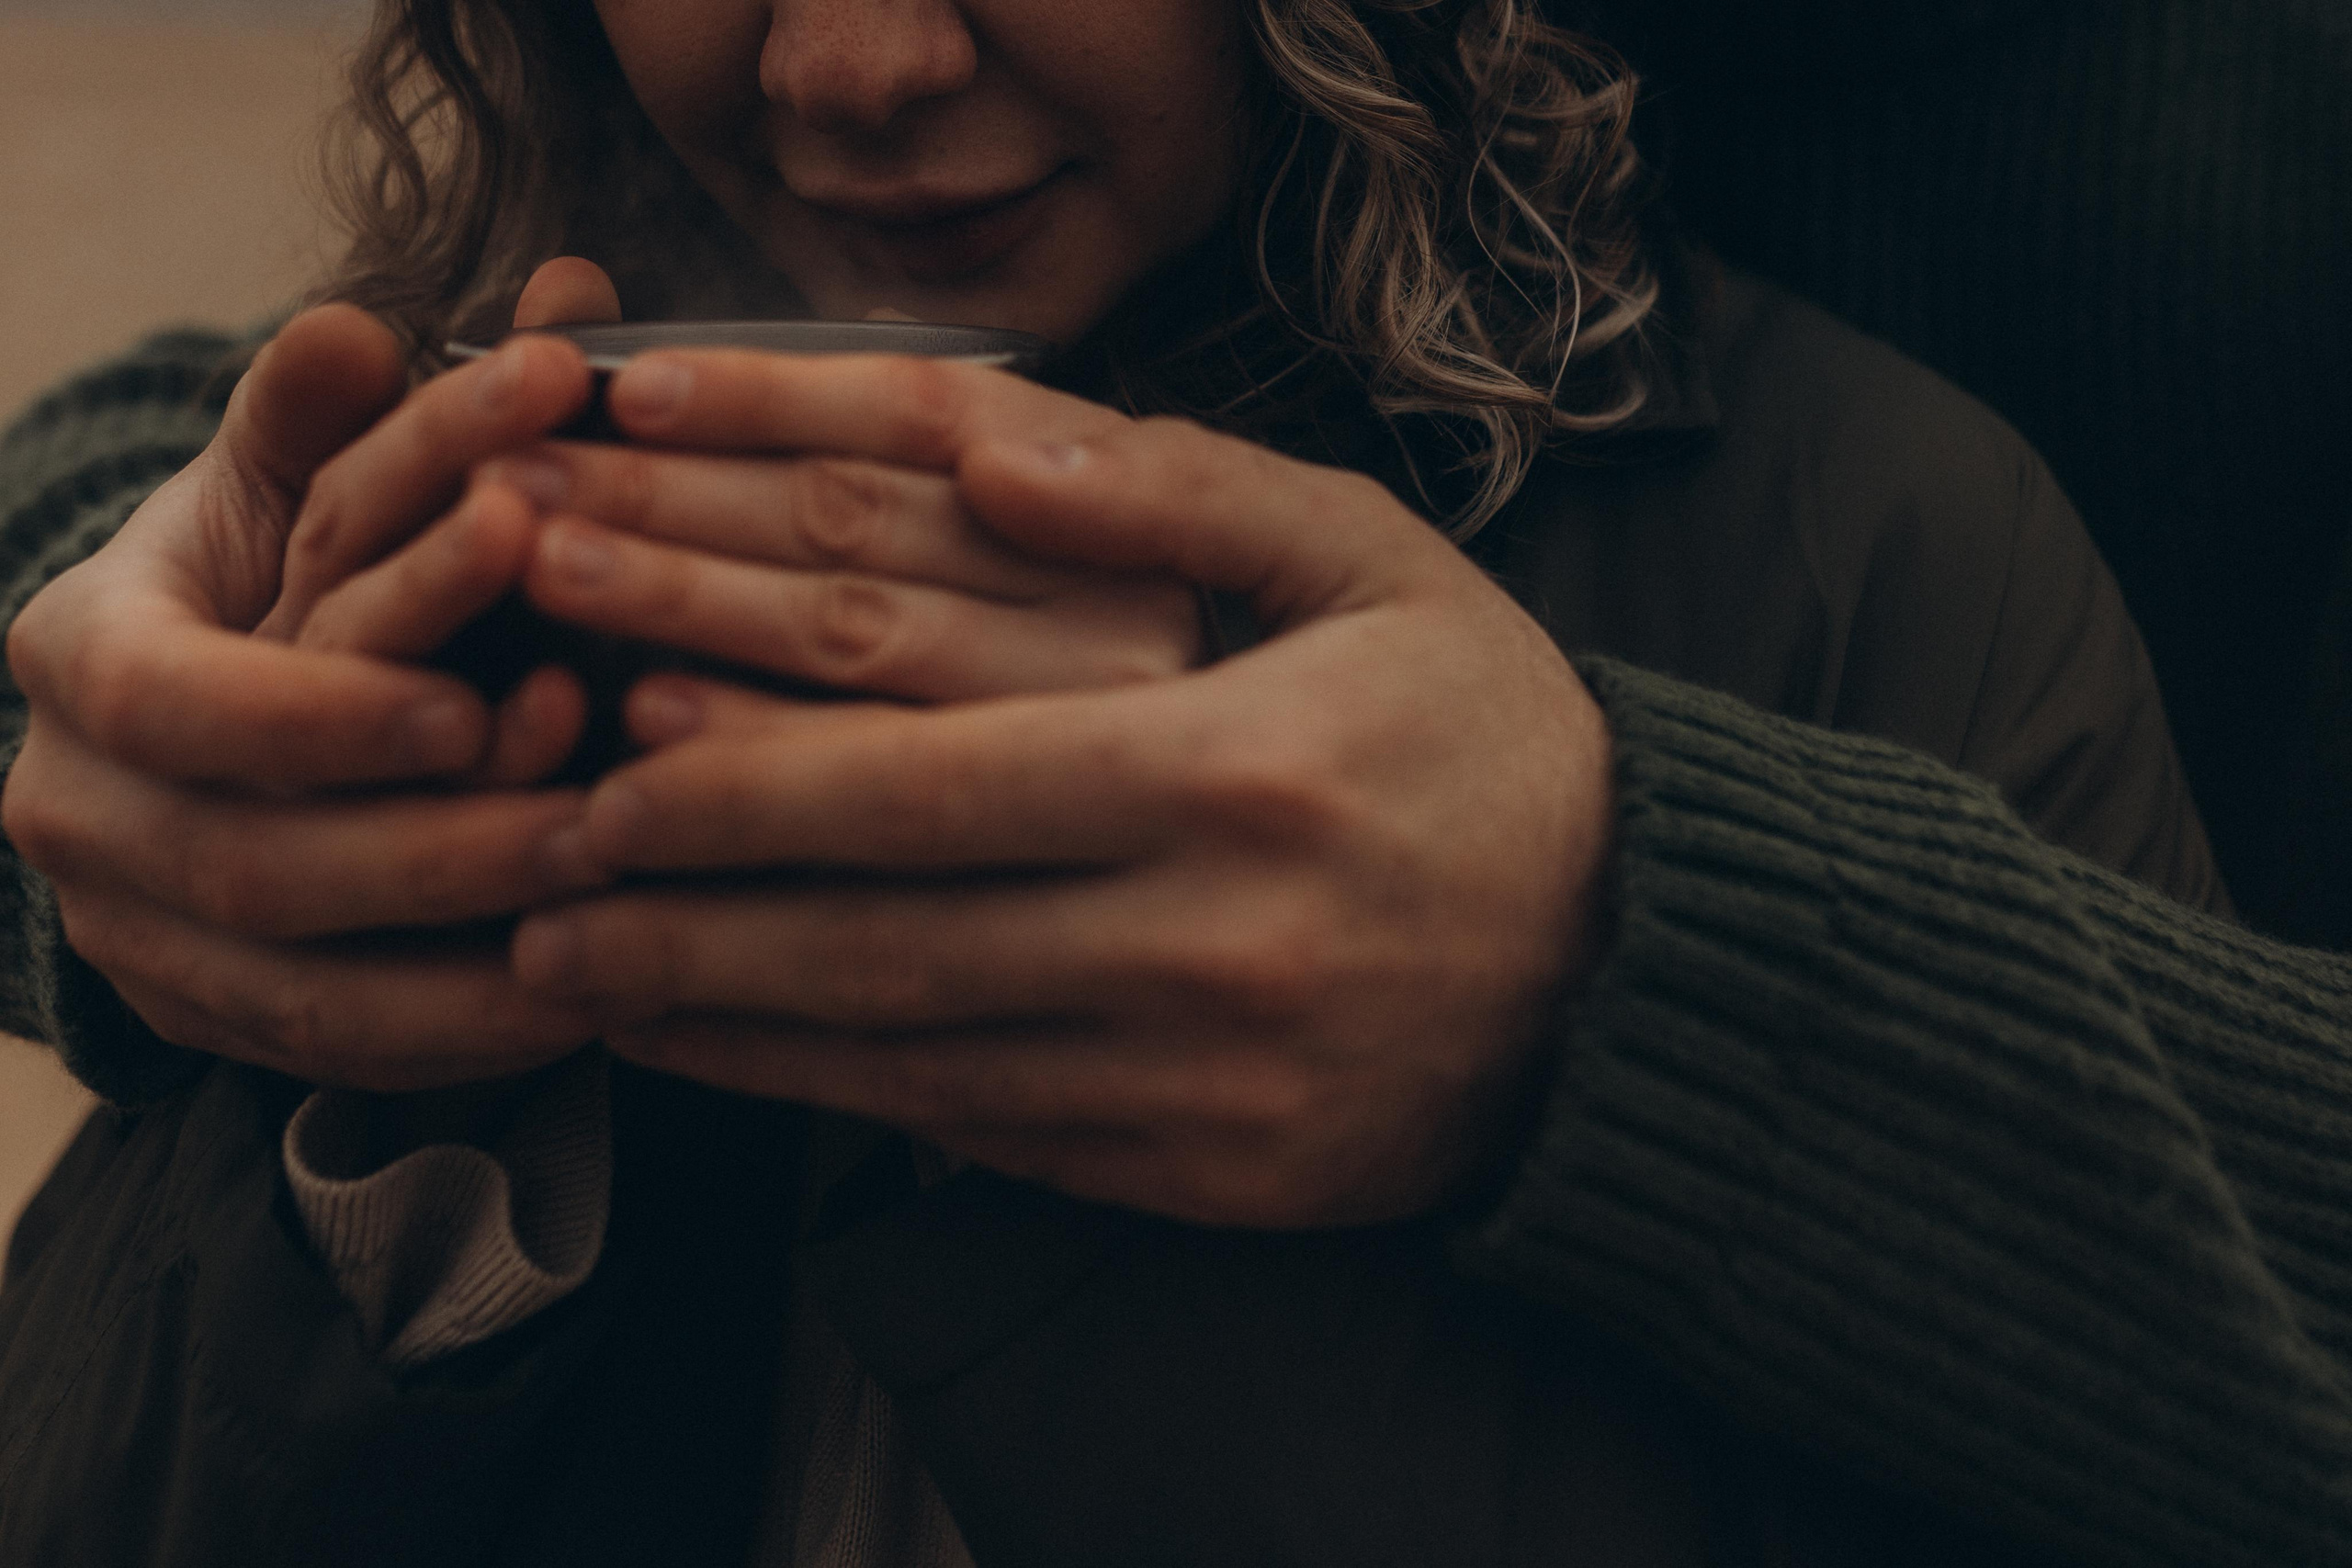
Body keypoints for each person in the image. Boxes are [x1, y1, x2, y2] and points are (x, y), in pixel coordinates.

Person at [0, 0, 2324, 1563]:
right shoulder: (545, 432)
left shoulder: (1890, 534)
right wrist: (345, 996)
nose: (853, 58)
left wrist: (1606, 955)